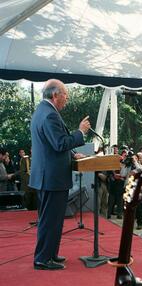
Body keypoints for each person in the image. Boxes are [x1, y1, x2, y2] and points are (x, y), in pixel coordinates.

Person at [29, 79, 90, 270]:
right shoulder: (49, 115)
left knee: (53, 219)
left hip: (48, 177)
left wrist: (73, 154)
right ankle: (43, 259)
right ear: (55, 95)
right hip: (51, 178)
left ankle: (50, 254)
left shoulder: (43, 111)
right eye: (65, 94)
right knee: (50, 220)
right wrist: (80, 132)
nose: (67, 98)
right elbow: (60, 143)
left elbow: (52, 145)